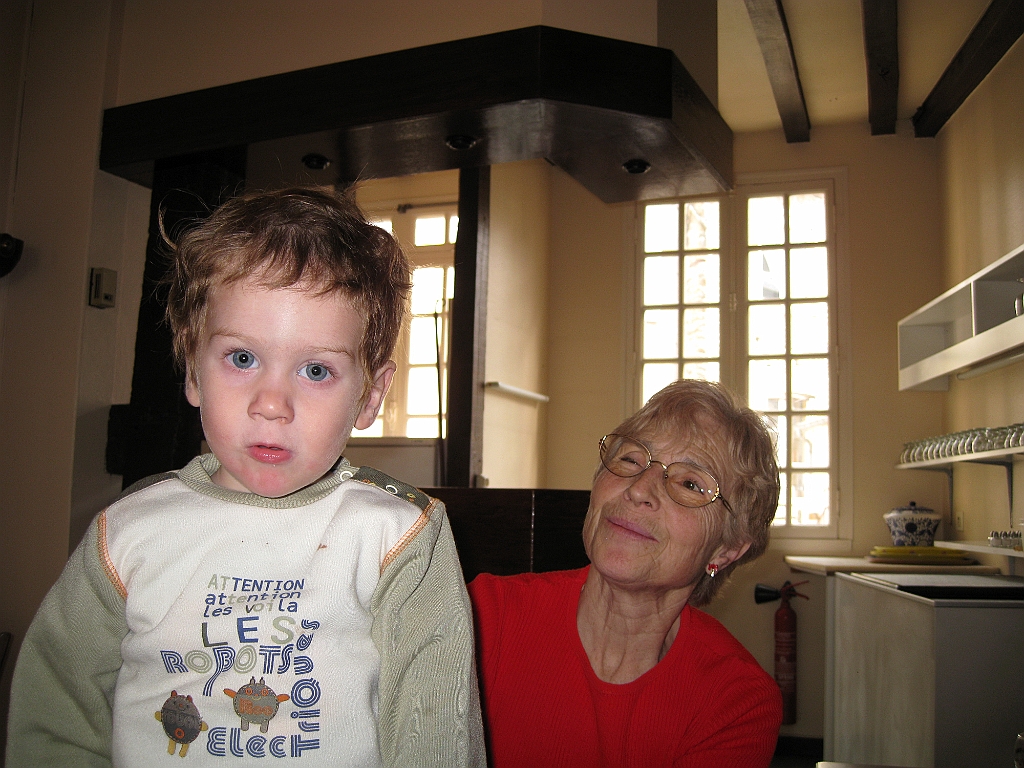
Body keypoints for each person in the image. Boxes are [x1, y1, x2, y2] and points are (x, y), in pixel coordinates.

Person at [7, 188, 484, 767]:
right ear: (193, 371)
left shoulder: (398, 536)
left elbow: (436, 727)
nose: (271, 404)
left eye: (316, 370)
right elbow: (55, 716)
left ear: (369, 396)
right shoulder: (127, 532)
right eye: (242, 359)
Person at [469, 379, 783, 767]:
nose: (639, 489)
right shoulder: (483, 615)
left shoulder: (736, 702)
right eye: (632, 460)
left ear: (726, 549)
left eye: (690, 483)